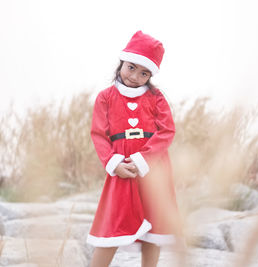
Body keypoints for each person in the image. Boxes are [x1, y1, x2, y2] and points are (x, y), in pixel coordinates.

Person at [87, 30, 182, 267]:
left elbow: (167, 130)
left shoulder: (155, 97)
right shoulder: (105, 97)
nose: (135, 76)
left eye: (144, 73)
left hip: (154, 168)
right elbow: (98, 135)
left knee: (155, 222)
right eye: (131, 67)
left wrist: (144, 160)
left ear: (150, 75)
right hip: (121, 167)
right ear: (122, 62)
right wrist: (113, 163)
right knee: (114, 222)